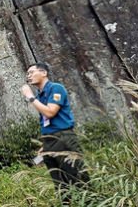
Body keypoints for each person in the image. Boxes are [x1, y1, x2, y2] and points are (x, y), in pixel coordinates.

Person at [20, 63, 89, 202]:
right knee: (60, 185)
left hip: (64, 138)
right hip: (49, 141)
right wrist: (45, 145)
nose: (29, 76)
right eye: (27, 74)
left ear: (44, 72)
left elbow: (50, 112)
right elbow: (46, 121)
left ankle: (91, 203)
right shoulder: (40, 95)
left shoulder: (56, 88)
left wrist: (30, 97)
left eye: (32, 72)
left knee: (78, 178)